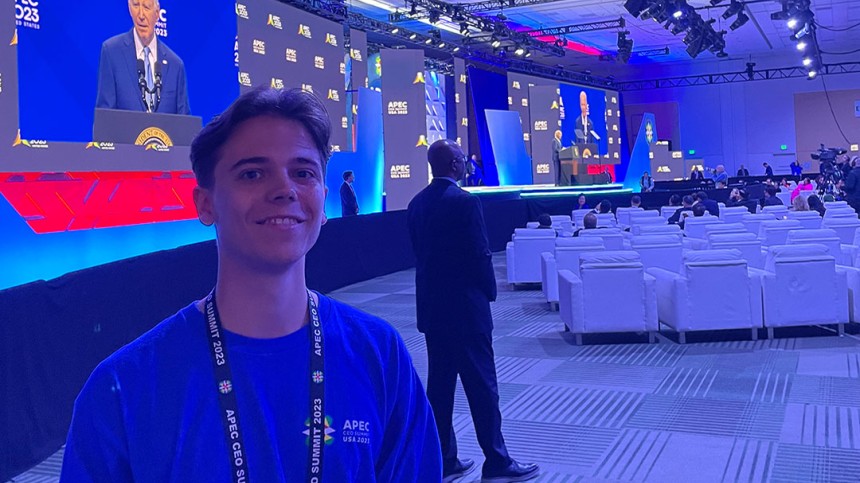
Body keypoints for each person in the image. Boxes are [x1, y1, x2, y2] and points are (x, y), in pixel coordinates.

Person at [62, 88, 440, 481]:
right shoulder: (125, 387)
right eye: (252, 173)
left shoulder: (379, 355)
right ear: (205, 204)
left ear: (323, 198)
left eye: (303, 173)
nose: (284, 189)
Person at [407, 139, 539, 483]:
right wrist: (490, 292)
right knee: (483, 388)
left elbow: (420, 255)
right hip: (467, 311)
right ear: (453, 164)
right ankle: (497, 462)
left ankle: (444, 459)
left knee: (440, 390)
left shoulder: (415, 203)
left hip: (433, 313)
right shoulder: (466, 203)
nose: (466, 163)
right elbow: (478, 254)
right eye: (462, 158)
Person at [96, 0, 191, 114]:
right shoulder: (112, 52)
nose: (141, 15)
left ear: (157, 13)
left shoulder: (175, 65)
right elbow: (105, 117)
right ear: (129, 8)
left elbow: (184, 123)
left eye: (146, 7)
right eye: (136, 5)